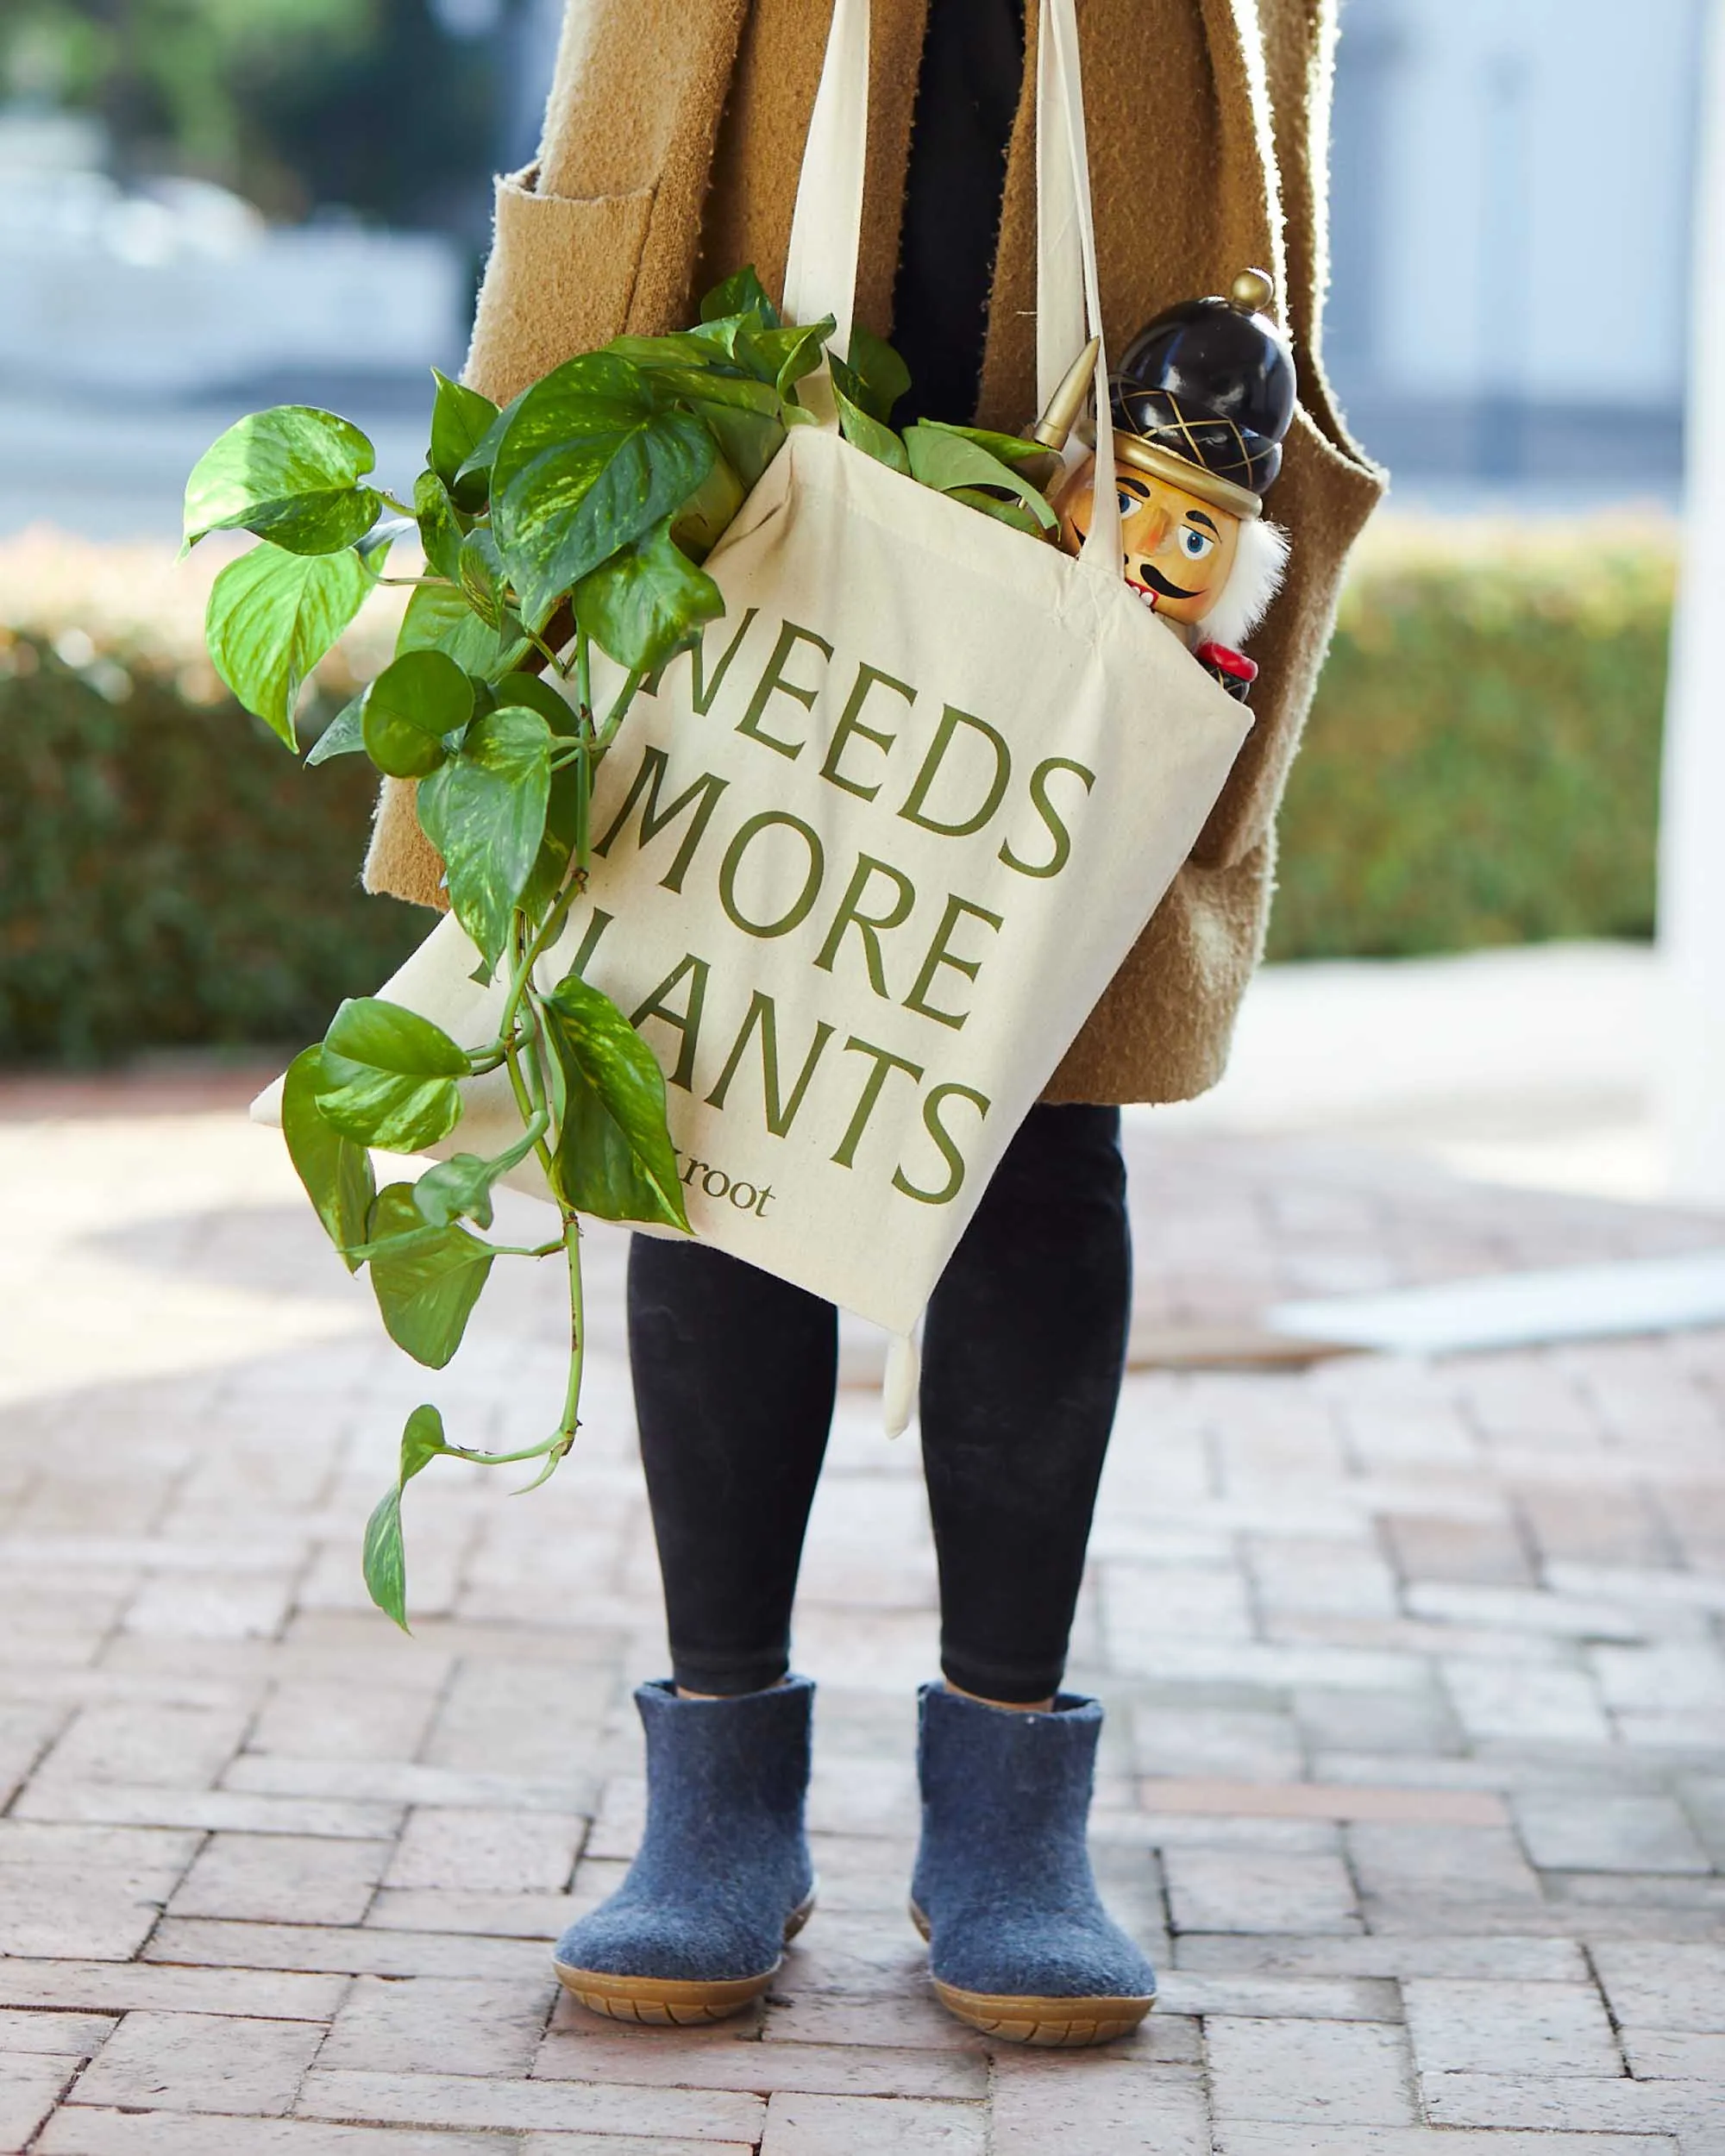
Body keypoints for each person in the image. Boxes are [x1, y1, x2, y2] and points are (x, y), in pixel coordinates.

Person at [365, 0, 1383, 2048]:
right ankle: (715, 1793)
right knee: (715, 1080)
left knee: (1037, 1120)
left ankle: (1009, 1812)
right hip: (736, 344)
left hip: (1108, 395)